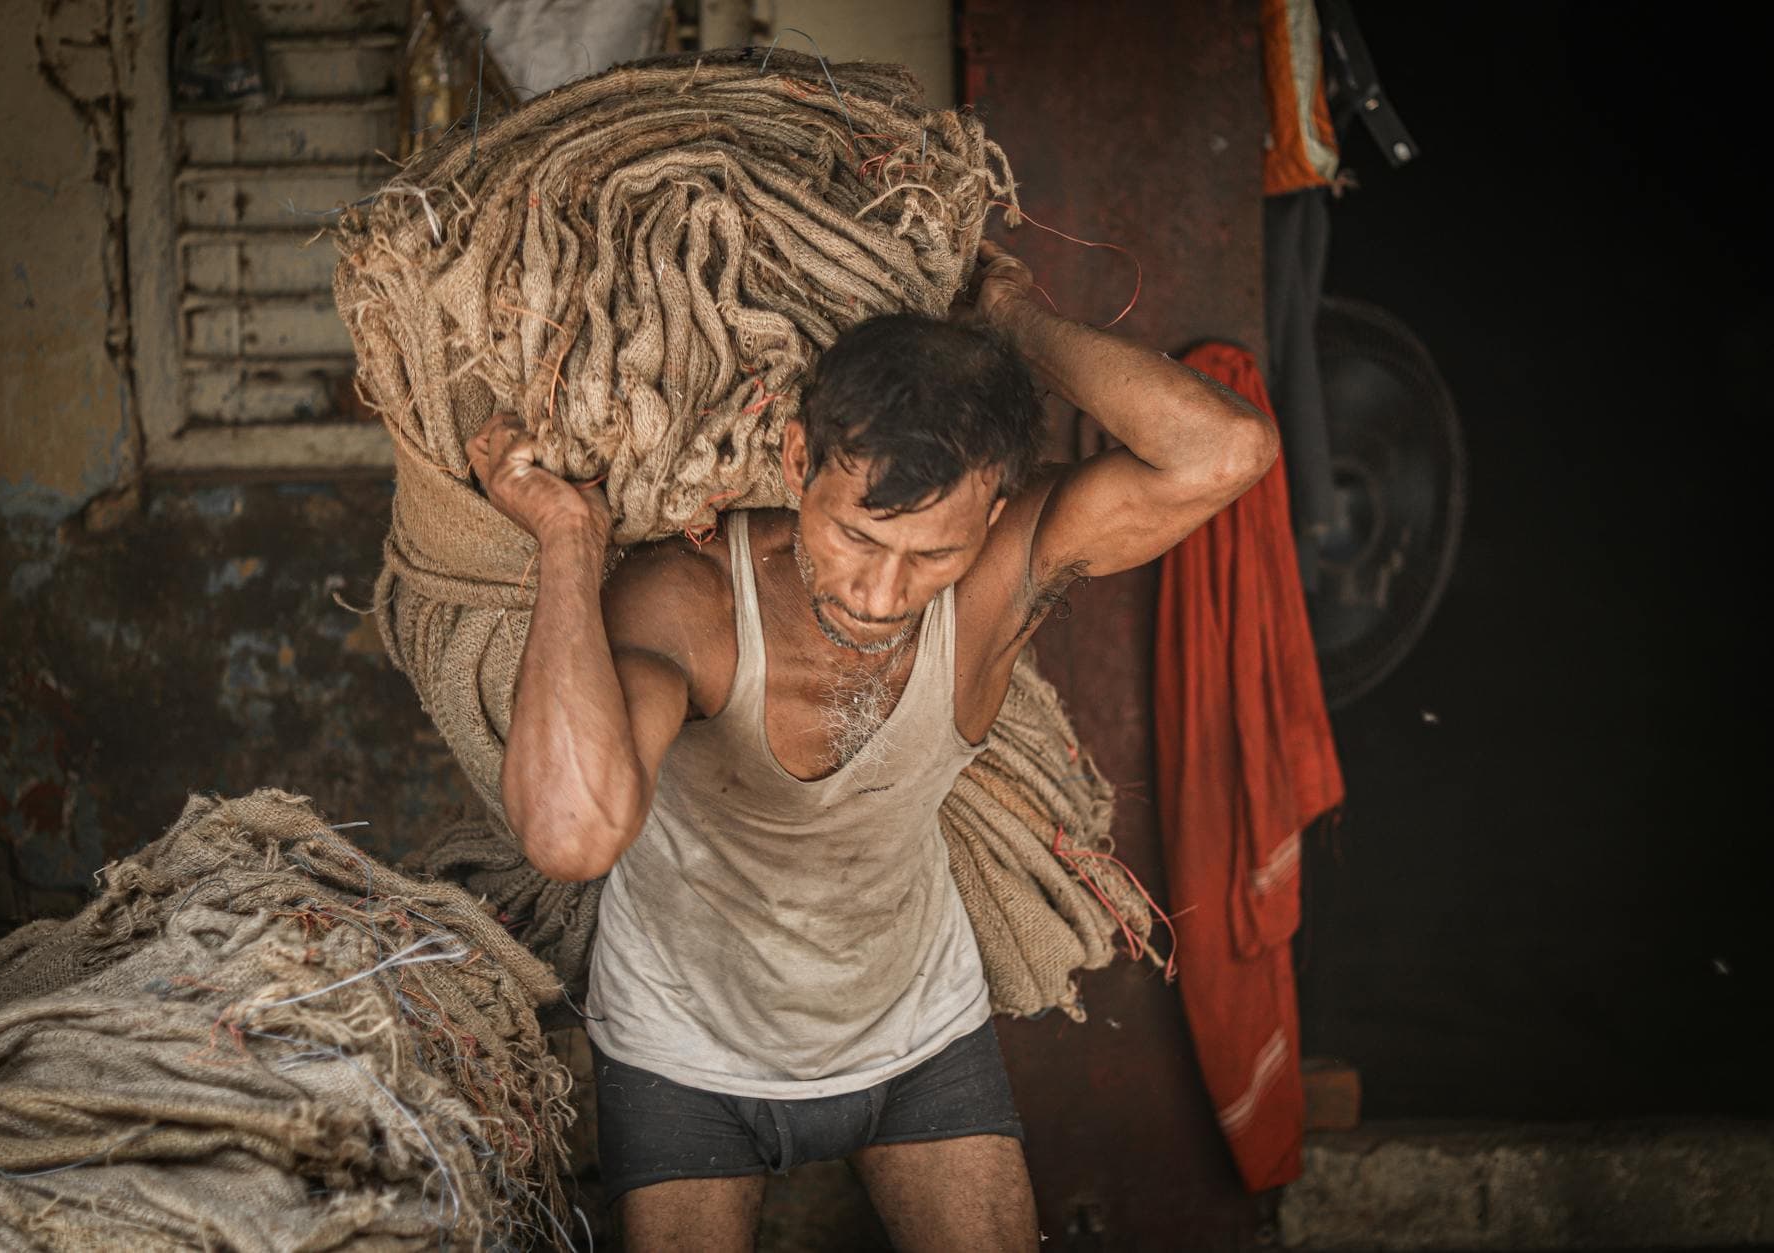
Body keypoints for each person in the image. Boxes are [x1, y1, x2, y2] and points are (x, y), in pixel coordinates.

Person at [466, 241, 1277, 1252]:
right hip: (684, 1041)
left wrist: (1010, 323)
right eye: (858, 537)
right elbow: (570, 829)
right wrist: (568, 544)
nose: (881, 594)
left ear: (993, 505)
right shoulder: (692, 599)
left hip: (914, 1029)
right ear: (799, 462)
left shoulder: (1001, 574)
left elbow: (1226, 449)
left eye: (932, 551)